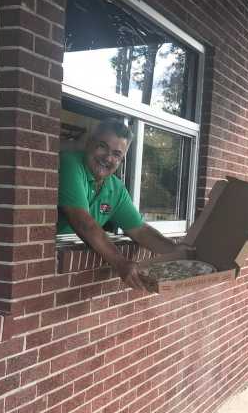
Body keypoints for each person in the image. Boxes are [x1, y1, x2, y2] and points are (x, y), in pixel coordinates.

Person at [57, 118, 191, 291]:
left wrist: (176, 251)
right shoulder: (70, 164)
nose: (108, 157)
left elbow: (140, 230)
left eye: (117, 154)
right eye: (102, 146)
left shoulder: (115, 187)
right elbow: (83, 222)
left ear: (121, 160)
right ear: (90, 143)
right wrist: (120, 262)